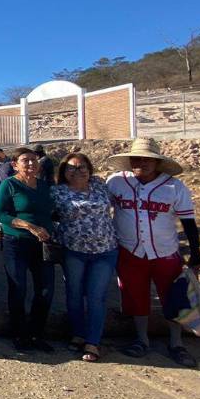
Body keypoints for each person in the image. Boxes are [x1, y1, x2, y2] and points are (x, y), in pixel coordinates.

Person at [107, 137, 200, 367]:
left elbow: (189, 223)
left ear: (157, 162)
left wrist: (196, 255)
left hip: (164, 252)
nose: (142, 163)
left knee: (173, 297)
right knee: (135, 295)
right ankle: (141, 340)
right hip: (129, 250)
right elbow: (99, 208)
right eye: (137, 158)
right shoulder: (116, 182)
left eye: (147, 159)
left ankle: (177, 343)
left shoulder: (174, 187)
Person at [51, 152, 117, 362]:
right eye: (71, 167)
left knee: (96, 296)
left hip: (105, 249)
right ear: (63, 171)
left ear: (89, 169)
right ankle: (78, 333)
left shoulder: (100, 186)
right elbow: (48, 216)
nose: (77, 171)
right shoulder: (57, 192)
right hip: (73, 250)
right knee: (74, 294)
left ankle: (93, 341)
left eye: (82, 167)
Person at [0, 147, 56, 352]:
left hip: (43, 244)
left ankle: (37, 333)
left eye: (34, 160)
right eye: (25, 160)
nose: (30, 163)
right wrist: (29, 226)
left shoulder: (44, 186)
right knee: (18, 287)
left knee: (45, 289)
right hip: (16, 242)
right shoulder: (9, 184)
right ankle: (19, 334)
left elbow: (52, 211)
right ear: (14, 164)